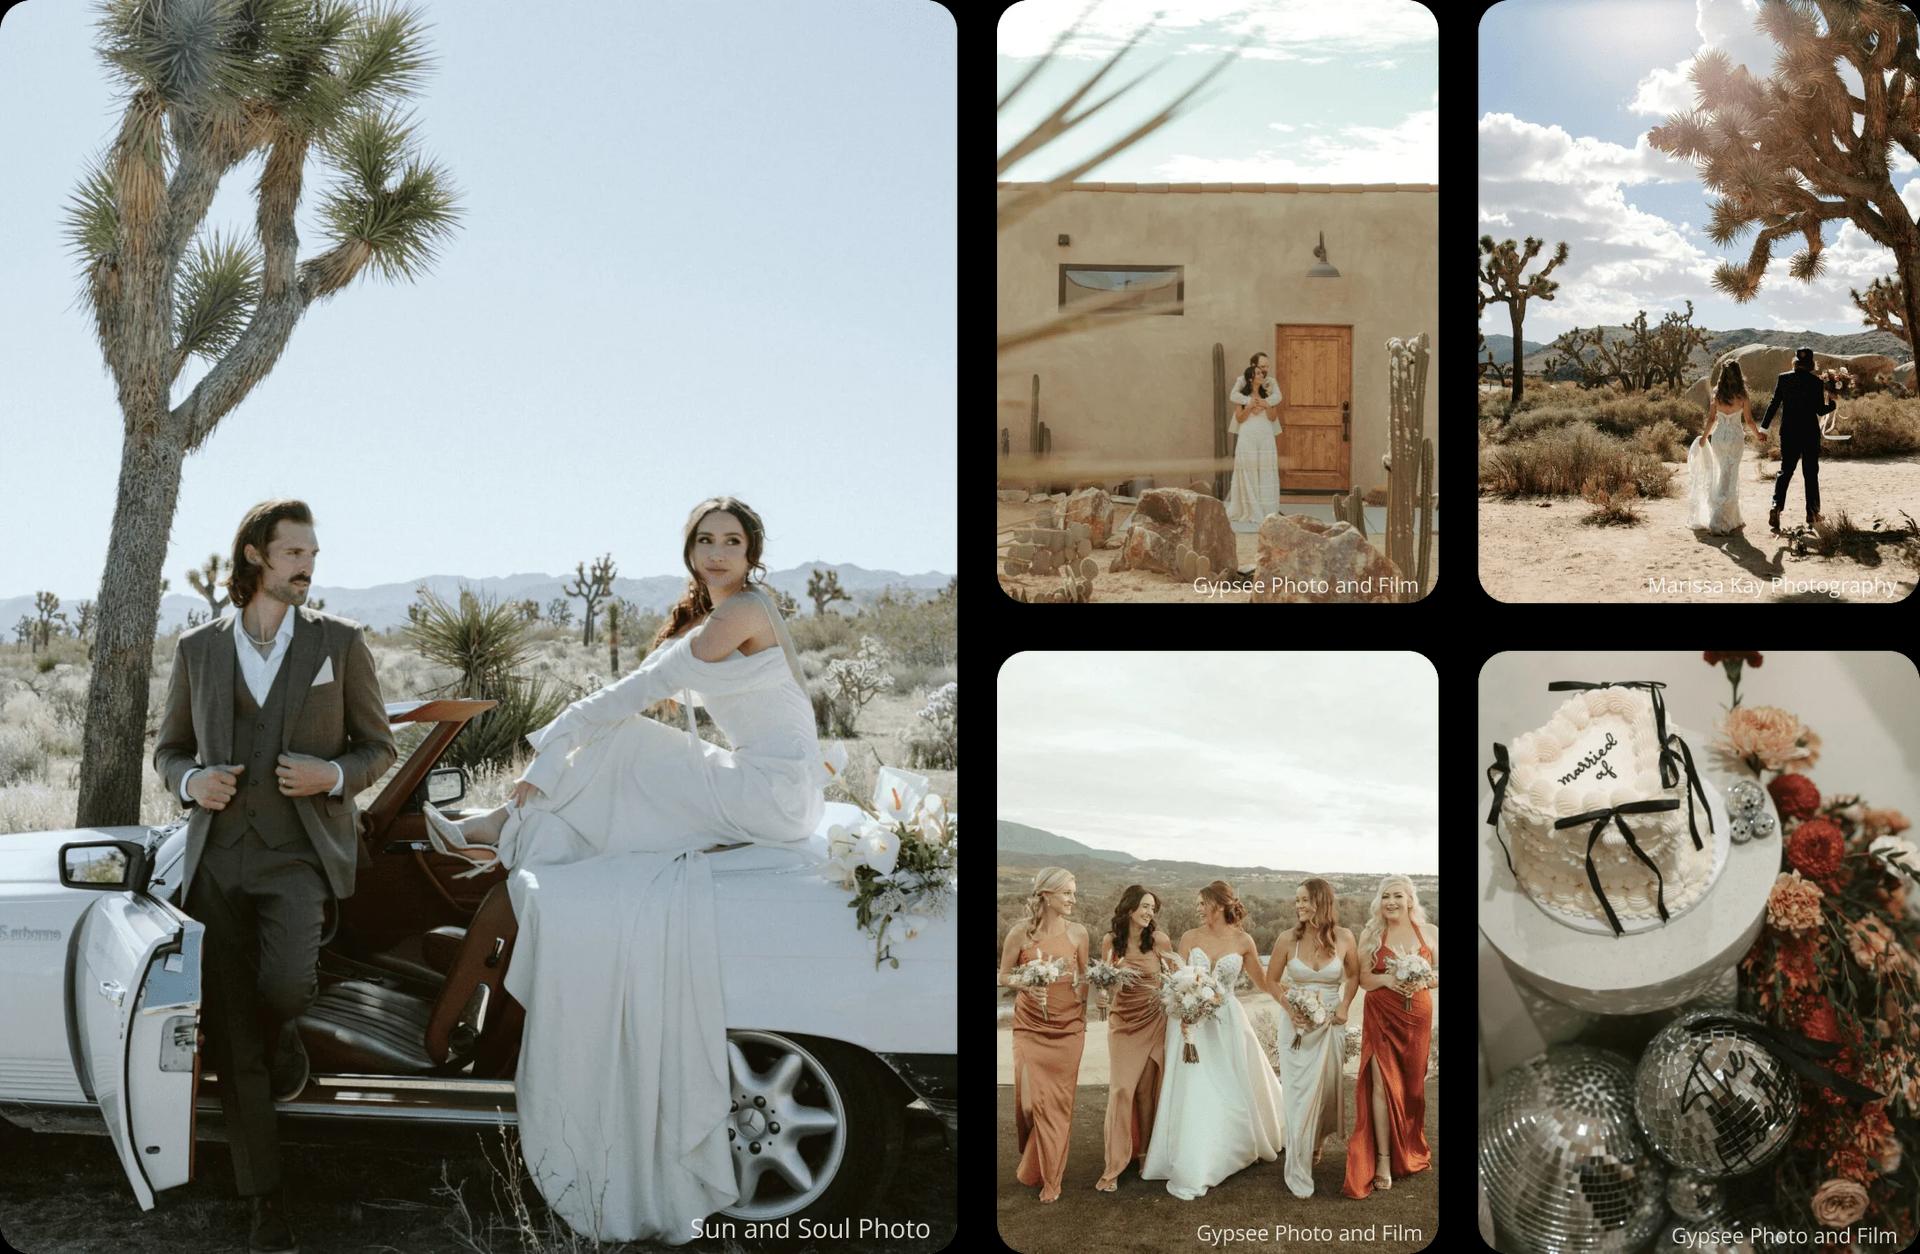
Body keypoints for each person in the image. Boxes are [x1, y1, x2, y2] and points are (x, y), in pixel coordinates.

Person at [421, 496, 832, 1244]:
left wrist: (543, 760)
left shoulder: (739, 612)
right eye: (704, 540)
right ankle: (504, 827)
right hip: (779, 788)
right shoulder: (711, 616)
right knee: (623, 746)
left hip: (771, 793)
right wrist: (563, 751)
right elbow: (643, 687)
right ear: (690, 550)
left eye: (731, 541)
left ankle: (497, 827)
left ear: (752, 553)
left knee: (623, 745)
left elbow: (629, 694)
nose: (716, 553)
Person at [155, 499, 396, 1254]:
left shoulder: (340, 642)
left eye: (312, 556)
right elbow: (170, 751)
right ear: (257, 555)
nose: (307, 567)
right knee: (231, 1033)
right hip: (219, 859)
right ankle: (263, 1196)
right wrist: (193, 785)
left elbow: (376, 748)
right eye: (295, 554)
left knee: (286, 988)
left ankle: (284, 1035)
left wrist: (330, 773)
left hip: (298, 855)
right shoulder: (199, 649)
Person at [1138, 880, 1285, 1200]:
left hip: (1227, 1021)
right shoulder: (1190, 937)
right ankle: (1196, 1154)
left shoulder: (1243, 940)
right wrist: (1182, 1002)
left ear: (1218, 904)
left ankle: (1233, 1144)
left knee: (1233, 1083)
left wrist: (1291, 1002)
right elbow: (1179, 977)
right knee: (1195, 1087)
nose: (1198, 908)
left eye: (1202, 903)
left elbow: (1262, 982)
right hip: (1191, 1024)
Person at [997, 867, 1088, 1203]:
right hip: (1029, 1026)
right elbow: (1003, 976)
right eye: (1067, 893)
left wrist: (1082, 1014)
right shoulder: (1020, 933)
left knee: (1058, 1106)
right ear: (1047, 895)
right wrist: (1027, 982)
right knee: (1029, 1104)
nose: (1072, 899)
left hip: (1068, 1029)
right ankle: (1035, 1163)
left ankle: (1053, 1179)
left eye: (1074, 893)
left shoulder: (1078, 933)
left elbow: (1083, 978)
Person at [1342, 875, 1436, 1199]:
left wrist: (1422, 978)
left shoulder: (1431, 933)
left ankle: (1409, 1147)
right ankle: (1382, 1160)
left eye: (1397, 895)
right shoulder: (1371, 933)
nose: (1391, 902)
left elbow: (1440, 974)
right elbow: (1364, 978)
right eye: (1386, 896)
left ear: (1411, 899)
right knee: (1381, 1083)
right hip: (1381, 1015)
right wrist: (1388, 980)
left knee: (1412, 1086)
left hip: (1417, 1017)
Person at [1265, 877, 1358, 1198]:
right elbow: (1271, 980)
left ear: (1322, 901)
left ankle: (1314, 1144)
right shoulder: (1286, 939)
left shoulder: (1345, 938)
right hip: (1297, 1028)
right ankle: (1298, 1161)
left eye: (1305, 900)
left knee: (1326, 1091)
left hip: (1331, 1024)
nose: (1299, 906)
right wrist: (1290, 1009)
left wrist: (1345, 1005)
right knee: (1298, 1093)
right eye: (1297, 901)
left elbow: (1355, 974)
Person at [1094, 886, 1173, 1193]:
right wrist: (1102, 993)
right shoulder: (1111, 942)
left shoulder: (1159, 941)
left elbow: (1175, 977)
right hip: (1123, 1023)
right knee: (1122, 1090)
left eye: (1152, 908)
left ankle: (1145, 1156)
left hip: (1154, 1020)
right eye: (1144, 906)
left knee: (1145, 1091)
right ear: (1129, 908)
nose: (1149, 912)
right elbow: (1107, 983)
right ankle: (1114, 1164)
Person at [1759, 346, 1837, 536]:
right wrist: (1832, 404)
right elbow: (1820, 410)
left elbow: (1774, 403)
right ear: (1811, 364)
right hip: (1809, 433)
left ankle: (1776, 506)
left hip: (1789, 432)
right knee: (1810, 473)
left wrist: (1764, 427)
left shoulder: (1783, 379)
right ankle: (1812, 513)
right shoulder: (1816, 382)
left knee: (1785, 470)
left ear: (1795, 361)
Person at [1687, 361, 1767, 535]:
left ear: (1722, 375)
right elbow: (1749, 421)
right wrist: (1758, 435)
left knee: (1722, 472)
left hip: (1719, 438)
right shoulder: (1743, 395)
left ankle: (1730, 516)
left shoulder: (1717, 394)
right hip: (1735, 439)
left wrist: (1704, 437)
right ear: (1739, 374)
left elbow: (1711, 419)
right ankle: (1720, 520)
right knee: (1730, 475)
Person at [1223, 353, 1283, 532]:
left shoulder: (1270, 384)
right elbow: (1234, 397)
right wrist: (1250, 403)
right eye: (1261, 368)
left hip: (1265, 433)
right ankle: (1250, 506)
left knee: (1265, 469)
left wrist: (1265, 403)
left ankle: (1266, 507)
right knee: (1248, 468)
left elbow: (1276, 402)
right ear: (1253, 367)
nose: (1265, 371)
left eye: (1266, 367)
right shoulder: (1242, 381)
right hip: (1248, 432)